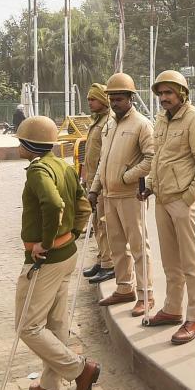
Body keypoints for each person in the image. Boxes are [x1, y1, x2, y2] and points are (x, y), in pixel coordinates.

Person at [15, 116, 102, 390]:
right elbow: (82, 205)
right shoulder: (61, 166)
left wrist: (47, 242)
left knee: (27, 326)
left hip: (46, 260)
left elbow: (53, 204)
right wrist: (73, 233)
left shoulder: (38, 171)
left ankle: (79, 369)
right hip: (67, 254)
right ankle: (50, 386)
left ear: (28, 144)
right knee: (56, 323)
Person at [140, 70, 195, 345]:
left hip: (182, 201)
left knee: (190, 263)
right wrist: (150, 184)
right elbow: (159, 156)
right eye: (160, 94)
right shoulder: (161, 119)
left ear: (181, 93)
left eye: (168, 93)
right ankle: (172, 309)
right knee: (170, 261)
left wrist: (188, 198)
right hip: (162, 198)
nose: (164, 98)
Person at [88, 73, 156, 316]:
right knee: (117, 245)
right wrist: (95, 189)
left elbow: (152, 158)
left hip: (130, 195)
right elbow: (103, 162)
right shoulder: (109, 125)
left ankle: (146, 294)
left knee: (138, 245)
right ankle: (124, 287)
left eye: (119, 98)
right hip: (109, 195)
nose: (115, 103)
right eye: (112, 99)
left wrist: (128, 177)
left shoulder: (141, 124)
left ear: (130, 98)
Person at [81, 83, 116, 284]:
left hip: (102, 181)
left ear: (103, 101)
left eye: (93, 99)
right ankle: (102, 259)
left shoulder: (108, 123)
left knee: (104, 225)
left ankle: (109, 264)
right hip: (92, 180)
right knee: (96, 222)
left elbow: (106, 155)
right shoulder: (97, 121)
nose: (90, 103)